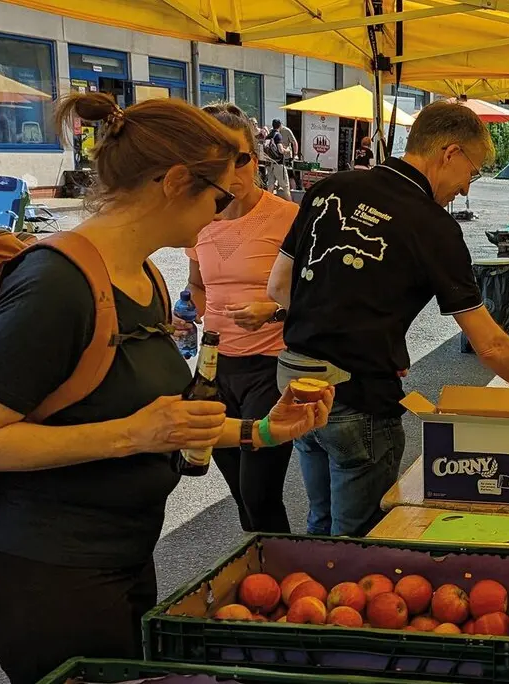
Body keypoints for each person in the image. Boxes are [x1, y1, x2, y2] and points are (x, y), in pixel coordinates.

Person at [0, 93, 331, 684]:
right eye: (218, 198)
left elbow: (171, 419)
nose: (222, 215)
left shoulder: (145, 275)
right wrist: (131, 435)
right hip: (52, 570)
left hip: (125, 553)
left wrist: (262, 430)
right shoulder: (57, 284)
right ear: (176, 182)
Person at [268, 100, 509, 538]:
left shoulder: (330, 188)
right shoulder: (433, 226)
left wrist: (364, 335)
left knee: (320, 522)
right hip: (359, 398)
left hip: (297, 384)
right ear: (450, 153)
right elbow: (490, 344)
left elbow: (279, 287)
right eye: (471, 172)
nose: (465, 189)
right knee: (360, 538)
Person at [176, 102, 301, 534]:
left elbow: (322, 294)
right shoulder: (198, 220)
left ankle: (281, 567)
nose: (232, 172)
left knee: (259, 491)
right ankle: (259, 567)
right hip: (214, 369)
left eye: (241, 158)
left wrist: (276, 310)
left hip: (270, 366)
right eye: (218, 161)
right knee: (239, 492)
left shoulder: (288, 217)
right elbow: (197, 285)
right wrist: (188, 314)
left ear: (257, 156)